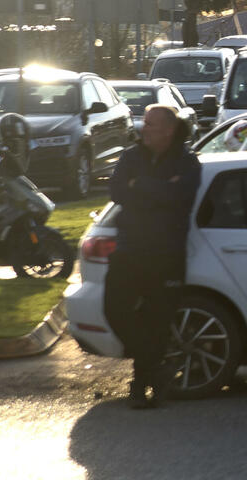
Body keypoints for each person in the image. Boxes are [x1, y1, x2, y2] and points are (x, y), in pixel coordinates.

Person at [104, 105, 201, 409]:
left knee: (157, 322)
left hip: (166, 255)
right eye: (144, 122)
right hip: (130, 250)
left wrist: (140, 185)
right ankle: (156, 371)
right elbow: (117, 191)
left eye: (150, 124)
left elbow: (179, 197)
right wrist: (157, 189)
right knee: (115, 311)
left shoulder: (187, 162)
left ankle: (141, 385)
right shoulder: (132, 156)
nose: (143, 128)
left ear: (169, 130)